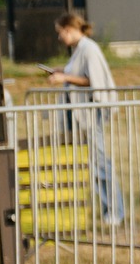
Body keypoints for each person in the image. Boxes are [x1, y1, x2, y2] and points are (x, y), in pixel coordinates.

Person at [47, 11, 122, 225]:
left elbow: (92, 80)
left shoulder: (89, 49)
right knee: (92, 163)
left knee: (100, 163)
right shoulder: (79, 50)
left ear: (69, 29)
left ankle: (114, 212)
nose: (59, 37)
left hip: (89, 116)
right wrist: (62, 71)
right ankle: (107, 211)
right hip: (79, 117)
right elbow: (79, 74)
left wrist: (65, 77)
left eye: (60, 32)